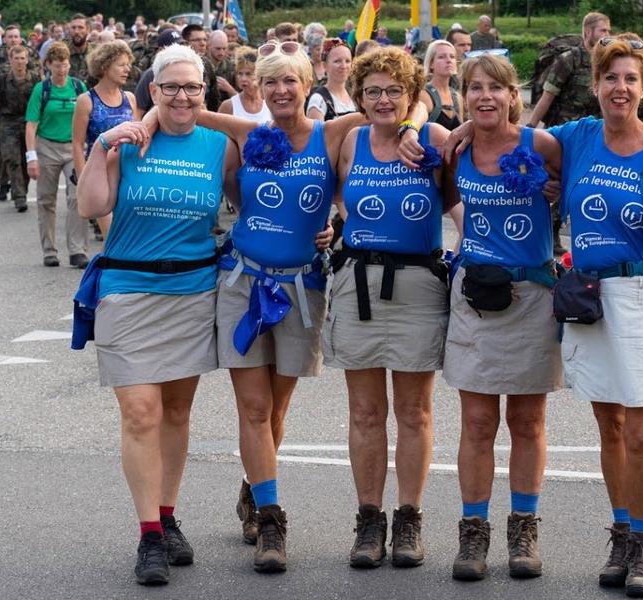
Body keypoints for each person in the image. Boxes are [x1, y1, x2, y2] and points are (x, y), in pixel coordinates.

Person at [142, 39, 357, 573]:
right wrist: (146, 121)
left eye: (291, 80)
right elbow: (183, 104)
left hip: (301, 290)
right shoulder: (247, 132)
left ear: (308, 87)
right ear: (258, 89)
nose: (281, 90)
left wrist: (337, 224)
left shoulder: (331, 134)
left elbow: (403, 110)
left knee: (276, 412)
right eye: (271, 82)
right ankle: (271, 520)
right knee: (254, 409)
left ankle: (251, 485)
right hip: (241, 283)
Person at [75, 43, 239, 586]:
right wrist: (102, 146)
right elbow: (91, 206)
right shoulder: (129, 143)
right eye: (170, 87)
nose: (182, 96)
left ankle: (168, 517)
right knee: (141, 412)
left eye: (192, 86)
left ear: (205, 91)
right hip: (126, 290)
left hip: (192, 292)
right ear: (153, 90)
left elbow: (256, 201)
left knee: (174, 413)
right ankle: (148, 535)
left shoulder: (220, 146)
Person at [548, 37, 643, 598]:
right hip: (589, 296)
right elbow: (515, 136)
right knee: (608, 427)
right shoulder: (580, 135)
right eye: (611, 77)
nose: (621, 88)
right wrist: (458, 129)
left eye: (631, 78)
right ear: (595, 85)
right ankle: (619, 534)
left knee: (640, 434)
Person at [433, 54, 562, 582]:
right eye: (474, 88)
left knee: (527, 421)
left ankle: (524, 527)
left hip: (532, 294)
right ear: (463, 96)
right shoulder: (453, 149)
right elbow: (442, 200)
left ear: (515, 95)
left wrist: (554, 195)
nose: (485, 96)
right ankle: (473, 529)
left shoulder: (543, 146)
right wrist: (456, 130)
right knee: (478, 421)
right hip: (474, 295)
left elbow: (575, 188)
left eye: (496, 88)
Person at [328, 47, 453, 570]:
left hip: (419, 285)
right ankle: (369, 518)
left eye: (393, 91)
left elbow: (460, 191)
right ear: (359, 97)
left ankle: (409, 518)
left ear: (410, 95)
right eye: (373, 91)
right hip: (357, 281)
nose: (383, 100)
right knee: (364, 412)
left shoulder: (434, 139)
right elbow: (330, 197)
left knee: (414, 412)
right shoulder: (349, 139)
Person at [529, 12, 611, 255]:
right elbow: (548, 96)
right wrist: (529, 130)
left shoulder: (605, 62)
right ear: (588, 32)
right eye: (602, 31)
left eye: (608, 30)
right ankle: (549, 234)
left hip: (594, 134)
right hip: (563, 135)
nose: (607, 35)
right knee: (557, 182)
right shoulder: (570, 59)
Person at [26, 42, 90, 266]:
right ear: (48, 66)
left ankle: (77, 250)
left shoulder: (78, 87)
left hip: (74, 148)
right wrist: (31, 157)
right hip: (47, 147)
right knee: (46, 200)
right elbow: (31, 125)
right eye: (56, 66)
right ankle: (49, 250)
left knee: (77, 197)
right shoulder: (41, 90)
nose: (61, 70)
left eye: (65, 65)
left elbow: (89, 118)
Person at [72, 40, 136, 245]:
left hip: (127, 176)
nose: (128, 69)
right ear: (105, 66)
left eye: (128, 64)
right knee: (111, 239)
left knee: (128, 238)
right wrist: (84, 180)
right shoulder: (86, 100)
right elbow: (77, 143)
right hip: (101, 176)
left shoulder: (130, 98)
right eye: (121, 64)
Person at [0, 25, 41, 202]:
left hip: (28, 119)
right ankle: (11, 189)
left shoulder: (31, 61)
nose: (13, 40)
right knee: (7, 155)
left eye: (16, 36)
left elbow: (41, 90)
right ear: (4, 39)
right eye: (10, 37)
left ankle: (20, 186)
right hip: (5, 117)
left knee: (24, 158)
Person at [218, 47, 271, 124]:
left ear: (260, 75)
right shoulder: (229, 106)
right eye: (240, 73)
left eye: (248, 74)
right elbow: (216, 134)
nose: (243, 79)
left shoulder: (269, 103)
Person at [307, 39, 355, 121]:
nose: (343, 66)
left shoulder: (354, 96)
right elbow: (317, 133)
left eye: (347, 61)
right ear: (325, 65)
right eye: (337, 61)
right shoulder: (319, 100)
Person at [421, 40, 462, 131]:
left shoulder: (457, 97)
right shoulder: (424, 95)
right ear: (431, 63)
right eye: (441, 57)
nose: (449, 60)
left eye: (452, 57)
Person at [68, 14, 95, 88]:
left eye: (80, 28)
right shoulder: (63, 53)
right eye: (73, 28)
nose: (76, 31)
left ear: (88, 30)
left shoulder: (96, 54)